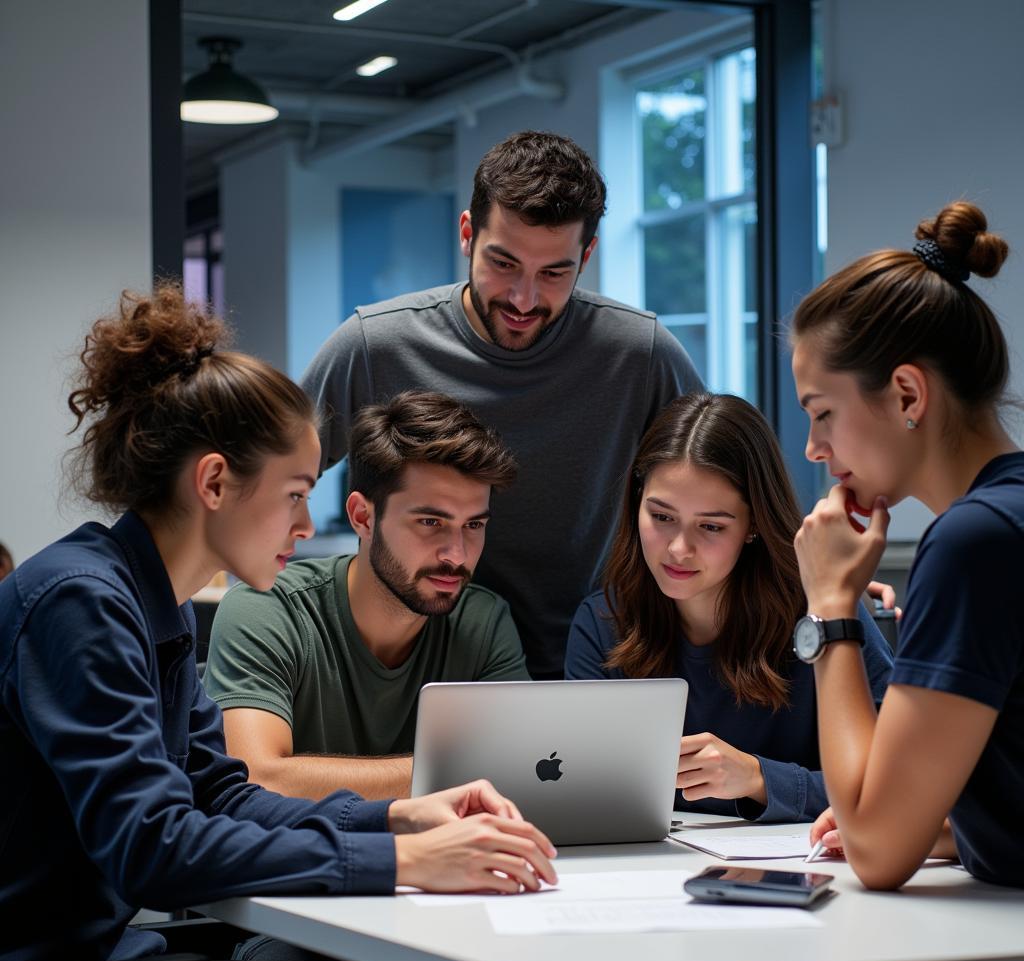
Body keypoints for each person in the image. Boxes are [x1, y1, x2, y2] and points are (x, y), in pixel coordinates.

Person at [0, 286, 557, 961]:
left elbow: (222, 795)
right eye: (296, 493)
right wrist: (402, 863)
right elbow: (153, 849)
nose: (304, 523)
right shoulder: (81, 602)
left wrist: (401, 819)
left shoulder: (147, 608)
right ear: (214, 483)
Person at [301, 130, 703, 678]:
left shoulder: (640, 354)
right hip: (418, 674)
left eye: (554, 272)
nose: (523, 298)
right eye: (504, 263)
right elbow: (273, 475)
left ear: (587, 255)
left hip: (596, 669)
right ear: (467, 235)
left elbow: (721, 491)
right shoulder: (375, 345)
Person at [791, 202, 1021, 961]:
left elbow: (878, 851)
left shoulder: (974, 542)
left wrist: (832, 608)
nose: (815, 450)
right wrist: (964, 820)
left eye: (822, 413)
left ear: (907, 393)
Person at [565, 392, 893, 823]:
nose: (679, 550)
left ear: (754, 525)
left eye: (711, 526)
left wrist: (759, 778)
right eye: (662, 517)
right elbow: (577, 787)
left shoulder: (824, 613)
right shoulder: (602, 621)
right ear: (636, 503)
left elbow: (896, 785)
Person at [204, 390, 527, 802]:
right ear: (363, 517)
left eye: (474, 525)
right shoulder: (268, 608)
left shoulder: (483, 621)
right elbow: (258, 779)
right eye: (431, 522)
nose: (457, 554)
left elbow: (518, 768)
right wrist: (456, 770)